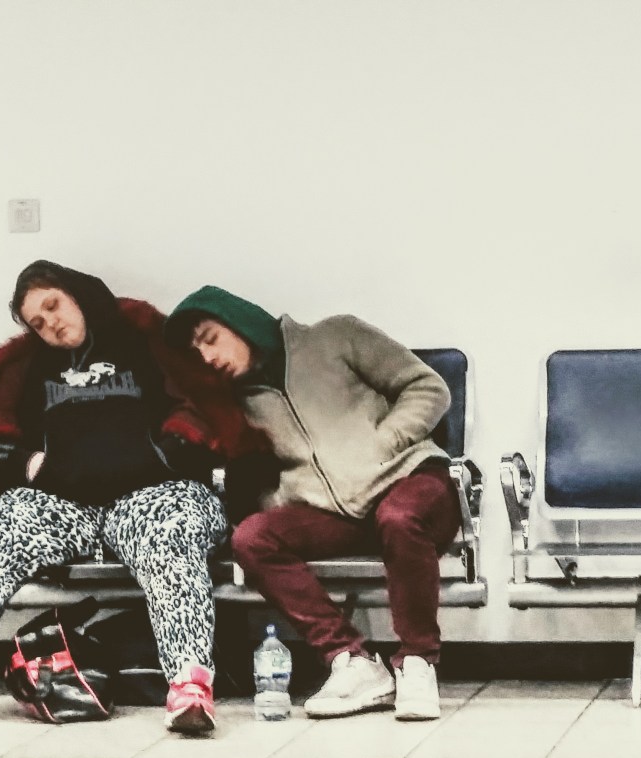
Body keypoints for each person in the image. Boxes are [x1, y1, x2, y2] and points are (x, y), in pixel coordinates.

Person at [0, 261, 253, 735]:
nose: (49, 322)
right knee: (1, 526)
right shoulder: (28, 367)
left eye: (53, 305)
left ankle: (189, 687)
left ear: (79, 296)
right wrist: (29, 464)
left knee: (169, 532)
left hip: (151, 494)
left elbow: (204, 408)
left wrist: (165, 452)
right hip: (66, 502)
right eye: (37, 321)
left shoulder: (144, 340)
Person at [165, 286, 461, 721]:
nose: (208, 357)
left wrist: (384, 442)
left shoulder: (336, 336)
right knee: (252, 539)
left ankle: (418, 662)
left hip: (409, 478)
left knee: (399, 517)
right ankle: (352, 661)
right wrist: (286, 496)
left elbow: (427, 386)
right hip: (334, 511)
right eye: (198, 352)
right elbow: (256, 476)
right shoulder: (235, 403)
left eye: (210, 338)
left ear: (238, 320)